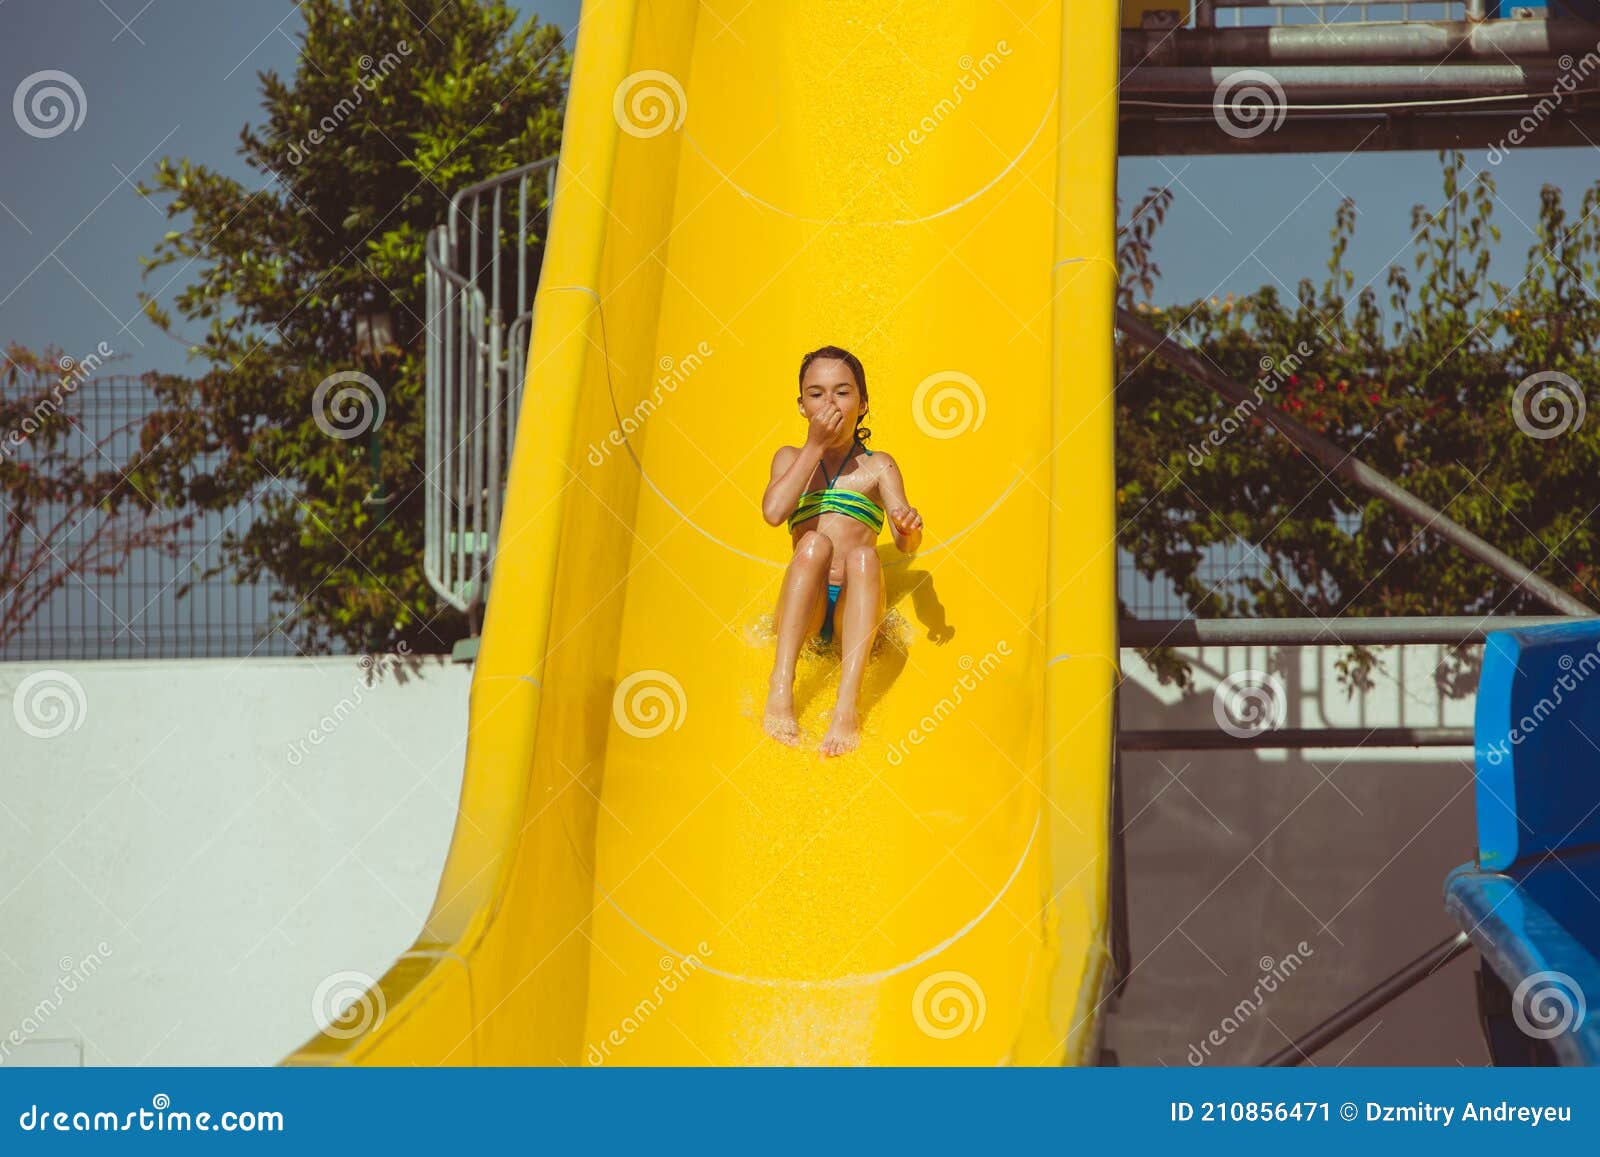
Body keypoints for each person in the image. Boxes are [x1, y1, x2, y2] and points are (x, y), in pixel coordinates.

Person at [760, 345, 923, 756]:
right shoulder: (791, 458)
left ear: (863, 404)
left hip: (857, 609)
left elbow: (905, 546)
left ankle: (846, 706)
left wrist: (907, 529)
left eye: (842, 392)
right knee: (813, 544)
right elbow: (775, 513)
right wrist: (814, 447)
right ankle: (781, 685)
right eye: (816, 394)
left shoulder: (878, 466)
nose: (828, 402)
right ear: (801, 406)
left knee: (866, 556)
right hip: (807, 609)